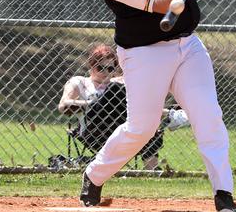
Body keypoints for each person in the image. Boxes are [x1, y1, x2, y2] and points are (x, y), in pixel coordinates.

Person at [80, 0, 236, 212]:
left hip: (187, 45)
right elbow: (160, 2)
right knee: (142, 127)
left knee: (207, 113)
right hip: (144, 52)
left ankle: (224, 193)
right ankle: (94, 174)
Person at [57, 43, 189, 170]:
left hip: (123, 125)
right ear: (91, 66)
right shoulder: (80, 82)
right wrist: (92, 104)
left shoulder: (119, 82)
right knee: (115, 88)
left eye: (110, 68)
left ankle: (152, 170)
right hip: (94, 129)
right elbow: (63, 105)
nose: (105, 72)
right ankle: (170, 114)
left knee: (146, 125)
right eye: (100, 68)